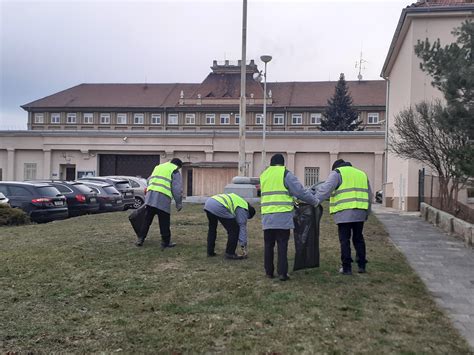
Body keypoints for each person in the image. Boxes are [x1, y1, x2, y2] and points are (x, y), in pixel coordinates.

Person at [260, 153, 319, 281]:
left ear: (271, 163)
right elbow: (299, 192)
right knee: (282, 244)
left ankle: (269, 272)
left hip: (267, 216)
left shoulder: (264, 175)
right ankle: (282, 273)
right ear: (282, 163)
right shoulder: (285, 173)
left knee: (268, 245)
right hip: (282, 216)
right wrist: (314, 201)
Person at [314, 159, 371, 275]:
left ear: (336, 167)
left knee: (345, 240)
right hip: (360, 211)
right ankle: (362, 265)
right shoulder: (362, 174)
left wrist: (314, 201)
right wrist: (367, 213)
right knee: (358, 238)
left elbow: (325, 190)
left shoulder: (337, 173)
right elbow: (370, 195)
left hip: (344, 213)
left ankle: (347, 268)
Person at [135, 158, 183, 248]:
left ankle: (140, 239)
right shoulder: (174, 171)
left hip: (150, 197)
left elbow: (149, 180)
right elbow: (177, 189)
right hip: (162, 198)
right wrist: (179, 204)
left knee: (146, 220)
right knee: (164, 221)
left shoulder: (158, 167)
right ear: (178, 166)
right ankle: (165, 242)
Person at [204, 193, 256, 259]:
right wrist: (243, 246)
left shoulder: (240, 201)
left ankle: (210, 252)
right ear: (248, 212)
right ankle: (230, 253)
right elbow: (242, 225)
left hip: (209, 203)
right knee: (234, 229)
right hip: (219, 206)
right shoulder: (243, 208)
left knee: (212, 228)